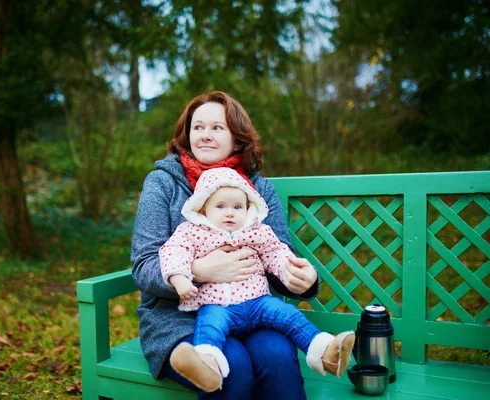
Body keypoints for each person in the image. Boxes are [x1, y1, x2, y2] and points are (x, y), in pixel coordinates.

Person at [131, 91, 319, 399]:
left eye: (217, 128)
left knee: (278, 357)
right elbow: (143, 265)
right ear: (186, 134)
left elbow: (278, 253)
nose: (205, 135)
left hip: (251, 309)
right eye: (198, 127)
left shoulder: (258, 188)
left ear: (237, 137)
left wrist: (302, 280)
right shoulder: (163, 182)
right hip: (178, 320)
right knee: (233, 367)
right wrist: (197, 271)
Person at [160, 167, 355, 392]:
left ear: (248, 208)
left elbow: (276, 252)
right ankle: (207, 365)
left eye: (237, 207)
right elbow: (174, 252)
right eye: (221, 206)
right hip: (217, 305)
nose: (230, 213)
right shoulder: (191, 231)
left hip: (257, 301)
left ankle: (325, 352)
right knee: (209, 326)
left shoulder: (257, 231)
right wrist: (181, 277)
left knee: (288, 315)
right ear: (204, 209)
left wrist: (290, 270)